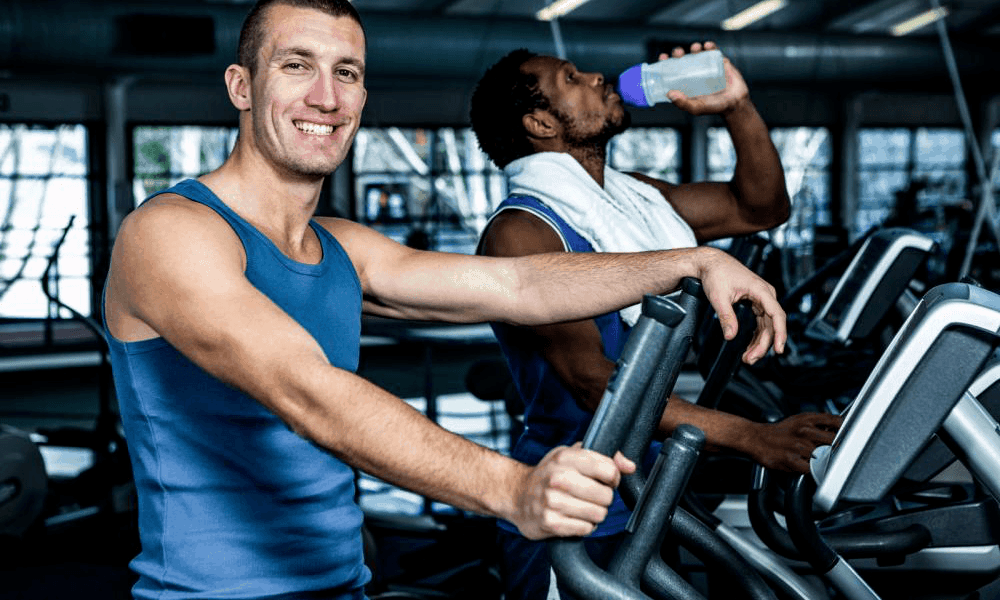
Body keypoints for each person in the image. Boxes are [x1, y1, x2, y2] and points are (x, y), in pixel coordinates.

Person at [101, 3, 789, 599]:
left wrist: (693, 259)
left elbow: (517, 285)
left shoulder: (340, 245)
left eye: (346, 73)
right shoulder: (170, 232)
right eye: (295, 66)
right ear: (241, 86)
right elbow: (308, 393)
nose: (325, 96)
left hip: (345, 585)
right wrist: (513, 490)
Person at [470, 46, 843, 600]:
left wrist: (736, 105)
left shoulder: (635, 200)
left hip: (645, 484)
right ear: (541, 122)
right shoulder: (522, 231)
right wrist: (752, 437)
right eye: (571, 79)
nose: (596, 76)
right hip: (568, 499)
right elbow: (595, 384)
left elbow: (760, 207)